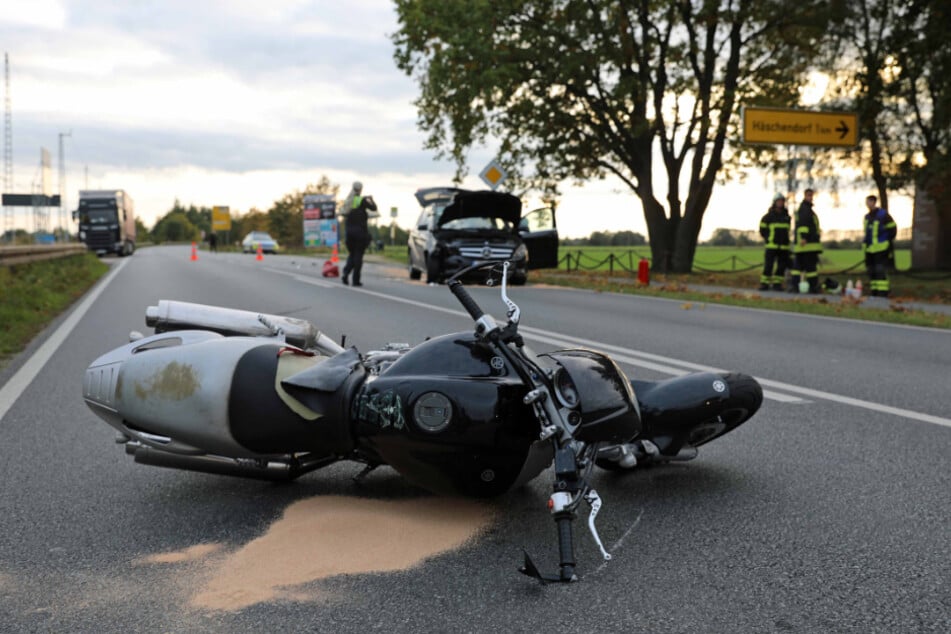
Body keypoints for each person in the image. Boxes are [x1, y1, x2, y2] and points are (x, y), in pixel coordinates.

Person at [339, 181, 378, 286]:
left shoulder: (348, 201)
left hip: (349, 234)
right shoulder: (362, 200)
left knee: (352, 254)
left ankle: (345, 273)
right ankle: (355, 280)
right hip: (360, 234)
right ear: (360, 189)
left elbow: (343, 213)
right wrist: (371, 199)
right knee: (358, 257)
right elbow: (374, 208)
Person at [862, 195, 897, 297]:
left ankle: (883, 291)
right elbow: (867, 233)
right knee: (871, 270)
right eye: (866, 202)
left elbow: (892, 229)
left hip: (881, 248)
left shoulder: (883, 215)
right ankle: (874, 291)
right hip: (870, 249)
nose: (867, 204)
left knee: (880, 270)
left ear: (873, 202)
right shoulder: (867, 217)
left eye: (869, 201)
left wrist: (887, 241)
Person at [789, 188, 822, 293]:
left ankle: (795, 286)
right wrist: (804, 238)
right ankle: (812, 287)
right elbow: (803, 225)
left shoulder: (807, 209)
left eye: (811, 195)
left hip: (805, 245)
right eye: (808, 195)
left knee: (798, 268)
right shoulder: (805, 209)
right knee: (810, 268)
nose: (810, 197)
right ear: (804, 196)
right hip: (807, 245)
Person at [758, 193, 791, 291]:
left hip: (784, 247)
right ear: (774, 202)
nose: (780, 203)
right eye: (779, 201)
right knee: (768, 266)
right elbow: (762, 230)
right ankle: (764, 284)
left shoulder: (787, 217)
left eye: (782, 201)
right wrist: (768, 239)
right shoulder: (768, 217)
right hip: (771, 246)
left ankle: (777, 284)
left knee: (781, 267)